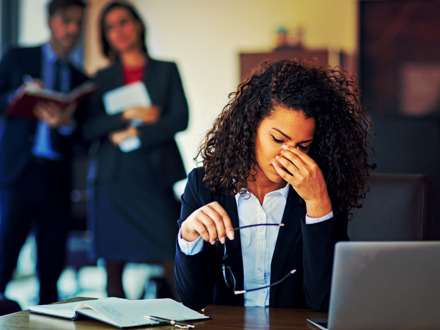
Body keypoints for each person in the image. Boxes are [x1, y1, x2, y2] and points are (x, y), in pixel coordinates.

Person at [174, 59, 374, 311]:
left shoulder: (322, 190)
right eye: (278, 139)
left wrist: (317, 205)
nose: (288, 155)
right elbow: (192, 301)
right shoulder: (204, 185)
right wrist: (189, 235)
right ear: (249, 127)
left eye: (303, 146)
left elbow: (323, 302)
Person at [82, 1, 188, 299]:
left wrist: (137, 134)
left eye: (123, 22)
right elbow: (89, 128)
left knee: (171, 254)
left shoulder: (166, 70)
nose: (118, 31)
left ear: (138, 24)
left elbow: (180, 118)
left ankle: (189, 320)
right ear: (106, 36)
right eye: (110, 27)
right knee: (113, 266)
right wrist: (127, 116)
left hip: (153, 176)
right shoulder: (100, 78)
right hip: (112, 179)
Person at [0, 0, 88, 304]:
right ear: (51, 20)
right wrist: (17, 96)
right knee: (3, 257)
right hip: (17, 175)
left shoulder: (80, 78)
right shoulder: (17, 58)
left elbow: (84, 138)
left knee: (51, 268)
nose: (73, 29)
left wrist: (66, 124)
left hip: (56, 179)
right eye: (66, 20)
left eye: (79, 22)